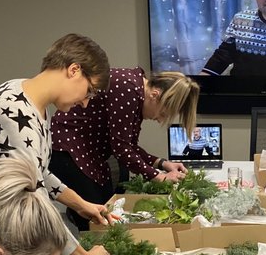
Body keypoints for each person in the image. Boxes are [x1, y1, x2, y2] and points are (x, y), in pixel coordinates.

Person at [0, 32, 113, 255]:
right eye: (90, 91)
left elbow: (37, 172)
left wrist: (81, 204)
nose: (85, 102)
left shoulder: (32, 102)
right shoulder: (13, 111)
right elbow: (36, 199)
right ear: (74, 70)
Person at [49, 67, 200, 229]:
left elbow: (129, 146)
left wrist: (162, 163)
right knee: (96, 222)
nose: (158, 119)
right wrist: (159, 177)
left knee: (107, 214)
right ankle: (83, 252)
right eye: (162, 113)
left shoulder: (135, 91)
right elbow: (122, 149)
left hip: (88, 155)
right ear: (155, 95)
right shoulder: (127, 89)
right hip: (68, 152)